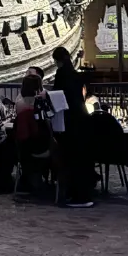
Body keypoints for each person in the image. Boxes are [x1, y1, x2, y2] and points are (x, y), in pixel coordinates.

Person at [51, 47, 94, 207]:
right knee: (82, 157)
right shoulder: (76, 75)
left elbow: (57, 95)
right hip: (82, 117)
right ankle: (85, 192)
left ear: (57, 61)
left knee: (72, 157)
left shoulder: (61, 74)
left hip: (70, 120)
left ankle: (77, 195)